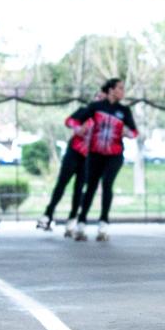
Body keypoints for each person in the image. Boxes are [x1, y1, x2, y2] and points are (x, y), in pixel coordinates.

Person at [71, 78, 140, 242]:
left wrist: (127, 133)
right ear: (111, 90)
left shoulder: (124, 111)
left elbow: (135, 132)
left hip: (114, 155)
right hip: (95, 154)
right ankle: (81, 223)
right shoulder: (96, 107)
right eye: (120, 88)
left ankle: (103, 223)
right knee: (91, 187)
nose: (123, 91)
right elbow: (74, 120)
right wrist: (78, 129)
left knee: (107, 184)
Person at [38, 84, 107, 233]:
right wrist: (78, 128)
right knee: (62, 183)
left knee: (79, 189)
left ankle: (72, 219)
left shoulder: (105, 120)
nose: (100, 101)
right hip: (74, 152)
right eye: (98, 97)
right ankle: (48, 214)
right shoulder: (84, 112)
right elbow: (69, 121)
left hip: (88, 157)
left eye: (103, 99)